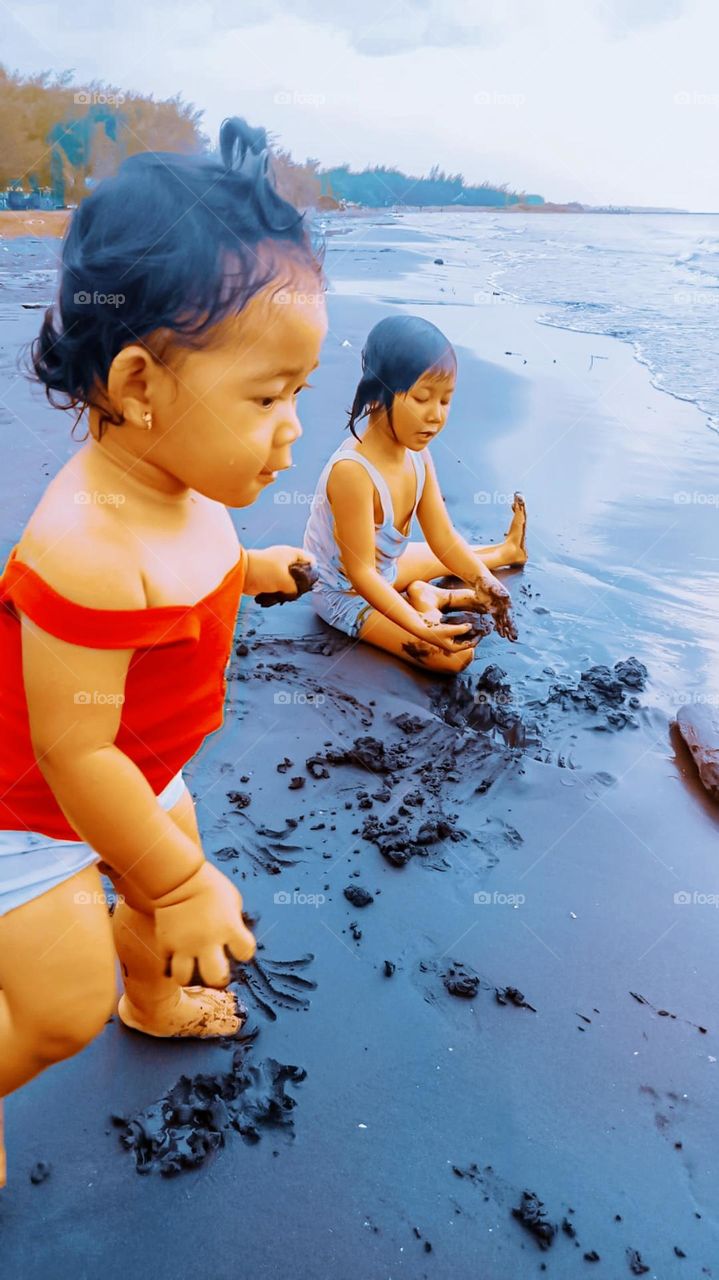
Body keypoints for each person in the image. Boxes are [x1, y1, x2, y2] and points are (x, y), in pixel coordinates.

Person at [0, 116, 328, 1186]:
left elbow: (192, 573)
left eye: (299, 393)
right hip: (31, 809)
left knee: (148, 897)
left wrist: (254, 568)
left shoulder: (182, 484)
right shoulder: (86, 546)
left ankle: (153, 996)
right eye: (268, 397)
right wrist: (183, 880)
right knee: (59, 1007)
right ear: (141, 386)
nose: (292, 427)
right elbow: (73, 753)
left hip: (140, 762)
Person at [303, 315, 527, 673]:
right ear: (378, 394)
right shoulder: (352, 473)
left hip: (387, 569)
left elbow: (444, 540)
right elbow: (362, 574)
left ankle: (505, 551)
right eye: (422, 398)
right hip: (345, 594)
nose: (436, 416)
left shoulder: (417, 455)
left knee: (454, 557)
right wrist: (423, 625)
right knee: (454, 656)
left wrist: (482, 580)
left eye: (445, 401)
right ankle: (432, 599)